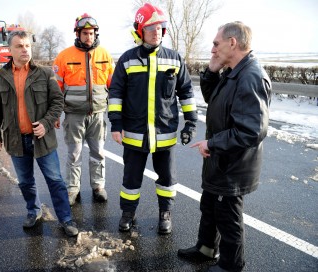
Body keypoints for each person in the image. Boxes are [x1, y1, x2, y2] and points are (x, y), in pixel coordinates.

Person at [177, 22, 271, 272]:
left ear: (233, 42)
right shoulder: (233, 71)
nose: (212, 49)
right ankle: (206, 249)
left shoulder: (250, 76)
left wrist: (212, 142)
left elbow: (252, 130)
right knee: (210, 205)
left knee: (228, 216)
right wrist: (212, 69)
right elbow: (213, 98)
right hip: (220, 159)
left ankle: (231, 265)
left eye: (216, 44)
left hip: (233, 164)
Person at [108, 3, 198, 234]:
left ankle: (165, 214)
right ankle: (128, 213)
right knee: (131, 179)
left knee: (167, 178)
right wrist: (116, 125)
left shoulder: (174, 59)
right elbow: (116, 94)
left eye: (160, 27)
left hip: (164, 133)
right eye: (151, 27)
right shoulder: (127, 60)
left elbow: (186, 92)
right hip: (135, 133)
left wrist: (191, 122)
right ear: (140, 30)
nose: (157, 31)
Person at [0, 30, 78, 237]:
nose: (24, 50)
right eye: (19, 46)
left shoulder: (44, 73)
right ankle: (33, 211)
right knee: (25, 182)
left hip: (42, 139)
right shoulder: (0, 76)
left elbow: (58, 101)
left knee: (55, 180)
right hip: (15, 139)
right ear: (10, 50)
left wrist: (46, 123)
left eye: (27, 45)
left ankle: (66, 218)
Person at [52, 13, 115, 206]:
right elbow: (55, 90)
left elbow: (113, 86)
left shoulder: (105, 55)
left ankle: (98, 187)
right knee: (74, 154)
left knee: (98, 153)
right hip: (73, 116)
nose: (89, 37)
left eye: (92, 33)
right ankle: (73, 189)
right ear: (78, 33)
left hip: (97, 115)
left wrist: (116, 113)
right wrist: (55, 114)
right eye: (85, 33)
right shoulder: (64, 56)